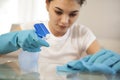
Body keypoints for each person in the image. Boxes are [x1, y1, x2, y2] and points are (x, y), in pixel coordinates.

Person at [0, 0, 120, 74]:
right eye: (58, 12)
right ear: (47, 4)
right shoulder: (28, 28)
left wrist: (110, 61)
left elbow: (101, 56)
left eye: (73, 14)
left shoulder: (82, 33)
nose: (64, 21)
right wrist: (14, 39)